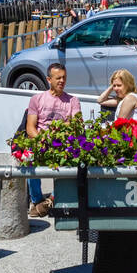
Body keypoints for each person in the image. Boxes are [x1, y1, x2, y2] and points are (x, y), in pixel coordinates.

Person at [25, 62, 82, 217]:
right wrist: (43, 139)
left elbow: (77, 125)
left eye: (64, 78)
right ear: (49, 79)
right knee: (30, 159)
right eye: (58, 78)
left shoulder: (73, 101)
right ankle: (37, 201)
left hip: (64, 144)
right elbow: (30, 128)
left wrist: (63, 131)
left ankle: (50, 200)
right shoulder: (37, 99)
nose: (62, 81)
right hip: (41, 142)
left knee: (76, 162)